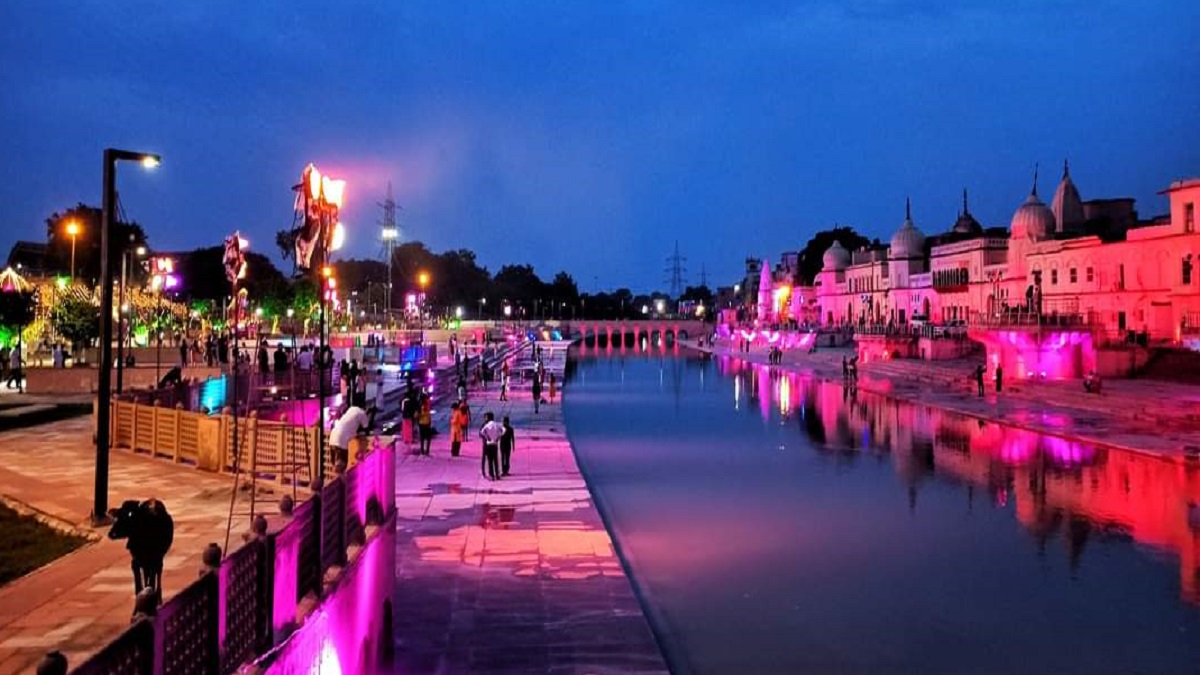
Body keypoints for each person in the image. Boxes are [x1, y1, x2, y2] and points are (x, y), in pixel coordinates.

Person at [329, 405, 376, 469]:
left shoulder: (351, 409)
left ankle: (338, 476)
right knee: (342, 466)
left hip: (332, 437)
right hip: (340, 440)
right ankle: (342, 477)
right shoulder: (362, 414)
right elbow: (366, 428)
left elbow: (350, 425)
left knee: (334, 464)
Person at [479, 412, 504, 480]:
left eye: (486, 417)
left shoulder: (485, 426)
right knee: (491, 459)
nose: (485, 418)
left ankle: (492, 474)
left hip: (488, 444)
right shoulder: (490, 425)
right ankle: (489, 473)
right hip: (490, 444)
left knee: (491, 460)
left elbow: (481, 434)